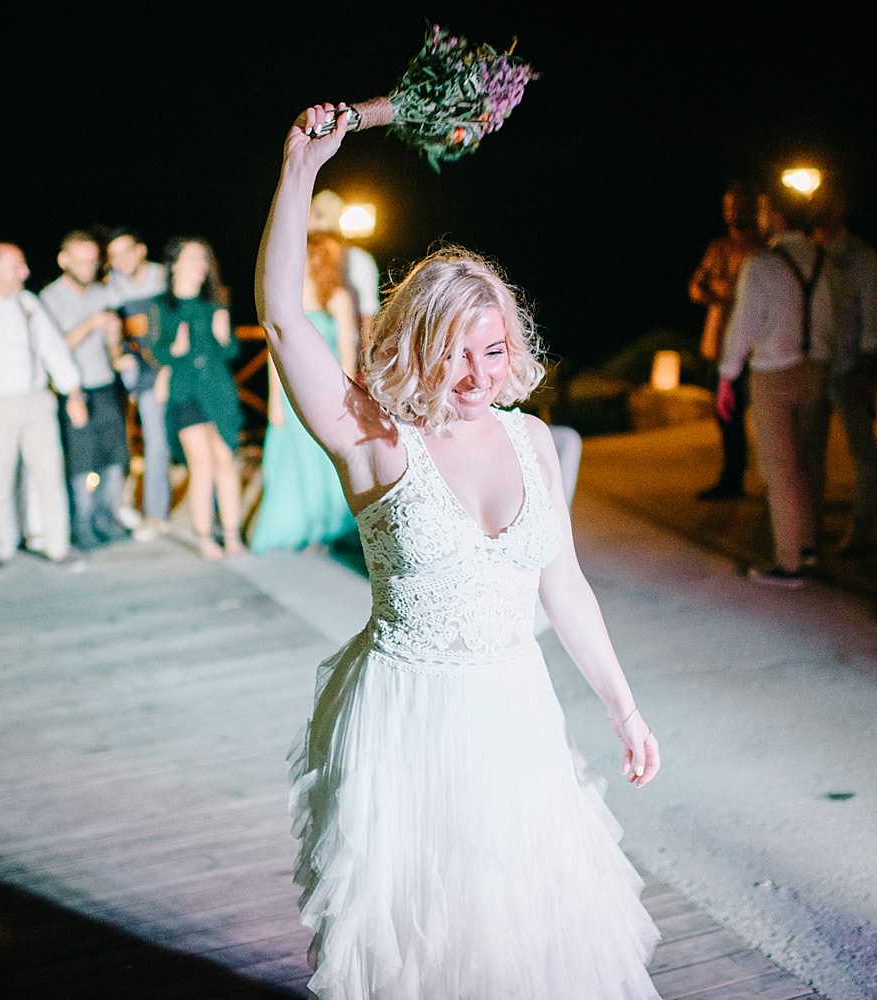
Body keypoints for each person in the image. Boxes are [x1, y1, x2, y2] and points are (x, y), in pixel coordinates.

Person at [259, 103, 661, 999]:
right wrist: (300, 170)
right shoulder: (372, 437)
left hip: (516, 713)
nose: (480, 376)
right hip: (407, 722)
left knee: (525, 932)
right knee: (426, 946)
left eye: (494, 349)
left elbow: (566, 587)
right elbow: (285, 319)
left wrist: (624, 709)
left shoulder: (529, 440)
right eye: (456, 356)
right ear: (414, 349)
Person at [717, 179, 842, 588]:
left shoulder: (762, 263)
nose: (763, 217)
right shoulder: (825, 260)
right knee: (809, 463)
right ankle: (806, 545)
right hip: (816, 369)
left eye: (768, 209)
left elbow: (743, 325)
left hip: (773, 373)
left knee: (781, 470)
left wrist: (727, 376)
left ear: (779, 216)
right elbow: (836, 318)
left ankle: (789, 563)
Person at [0, 242, 89, 575]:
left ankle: (58, 546)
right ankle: (1, 549)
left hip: (36, 401)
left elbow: (55, 351)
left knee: (50, 475)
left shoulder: (28, 304)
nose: (25, 272)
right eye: (17, 266)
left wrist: (74, 394)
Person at [249, 229, 357, 553]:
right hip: (291, 391)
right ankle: (294, 527)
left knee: (322, 461)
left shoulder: (336, 297)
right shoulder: (288, 297)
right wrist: (274, 401)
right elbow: (274, 352)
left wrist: (347, 399)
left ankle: (323, 531)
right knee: (290, 462)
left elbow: (348, 352)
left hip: (326, 393)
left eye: (310, 254)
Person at [151, 237, 245, 559]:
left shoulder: (216, 303)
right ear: (175, 264)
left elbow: (230, 350)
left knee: (226, 461)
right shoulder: (161, 305)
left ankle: (232, 536)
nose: (201, 265)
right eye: (193, 258)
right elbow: (157, 350)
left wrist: (223, 335)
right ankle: (205, 537)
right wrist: (172, 351)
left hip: (218, 389)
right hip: (185, 391)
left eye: (204, 258)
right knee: (201, 464)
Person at [39, 231, 130, 551]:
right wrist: (90, 324)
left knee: (115, 454)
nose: (89, 267)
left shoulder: (101, 293)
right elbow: (53, 348)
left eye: (93, 261)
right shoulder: (48, 298)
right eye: (82, 261)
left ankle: (109, 518)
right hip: (72, 390)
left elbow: (113, 344)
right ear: (64, 261)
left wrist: (114, 338)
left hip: (105, 383)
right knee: (81, 460)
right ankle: (83, 525)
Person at [810, 182, 877, 556]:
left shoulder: (860, 255)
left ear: (841, 205)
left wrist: (865, 370)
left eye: (828, 199)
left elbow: (872, 315)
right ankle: (809, 524)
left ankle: (861, 526)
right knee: (810, 451)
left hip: (848, 367)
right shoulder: (807, 250)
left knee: (864, 452)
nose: (820, 205)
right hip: (812, 367)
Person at [690, 180, 765, 500]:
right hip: (720, 342)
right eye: (728, 206)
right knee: (727, 419)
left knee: (762, 416)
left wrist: (733, 291)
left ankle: (770, 479)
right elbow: (695, 288)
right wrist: (715, 290)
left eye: (738, 205)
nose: (732, 212)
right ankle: (732, 478)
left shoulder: (763, 248)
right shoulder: (718, 248)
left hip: (754, 347)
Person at [105, 226, 171, 539]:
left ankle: (209, 514)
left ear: (141, 250)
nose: (121, 259)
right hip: (145, 375)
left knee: (196, 440)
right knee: (155, 445)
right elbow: (109, 325)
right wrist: (117, 354)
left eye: (126, 251)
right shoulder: (113, 288)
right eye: (114, 255)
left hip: (177, 368)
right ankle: (156, 515)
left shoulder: (163, 278)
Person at [309, 188, 380, 355]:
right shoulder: (302, 260)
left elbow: (368, 315)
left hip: (343, 352)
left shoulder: (359, 259)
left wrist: (366, 362)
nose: (309, 218)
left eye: (317, 214)